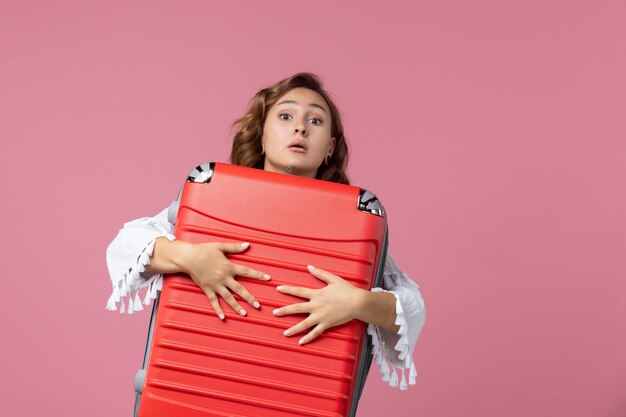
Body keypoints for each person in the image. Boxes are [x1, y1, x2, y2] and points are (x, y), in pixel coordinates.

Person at [105, 72, 426, 390]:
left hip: (298, 394)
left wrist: (358, 303)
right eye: (286, 116)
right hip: (203, 389)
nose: (300, 127)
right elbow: (125, 245)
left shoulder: (353, 222)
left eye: (315, 120)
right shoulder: (215, 196)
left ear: (329, 147)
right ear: (261, 135)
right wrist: (189, 256)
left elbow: (412, 306)